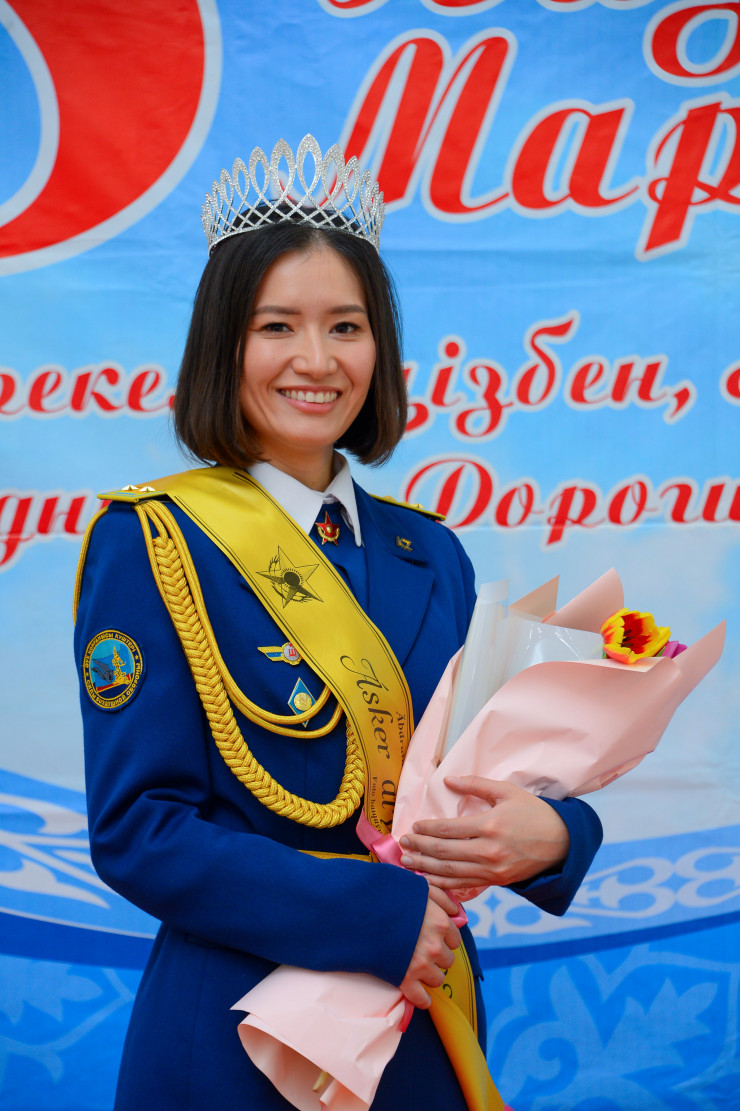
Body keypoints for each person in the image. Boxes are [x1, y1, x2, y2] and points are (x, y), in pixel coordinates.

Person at [74, 136, 602, 1111]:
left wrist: (557, 834)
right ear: (223, 345)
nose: (315, 361)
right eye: (276, 326)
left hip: (421, 1033)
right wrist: (377, 912)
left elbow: (485, 768)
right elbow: (138, 829)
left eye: (345, 327)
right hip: (235, 1033)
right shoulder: (154, 542)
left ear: (379, 350)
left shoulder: (428, 551)